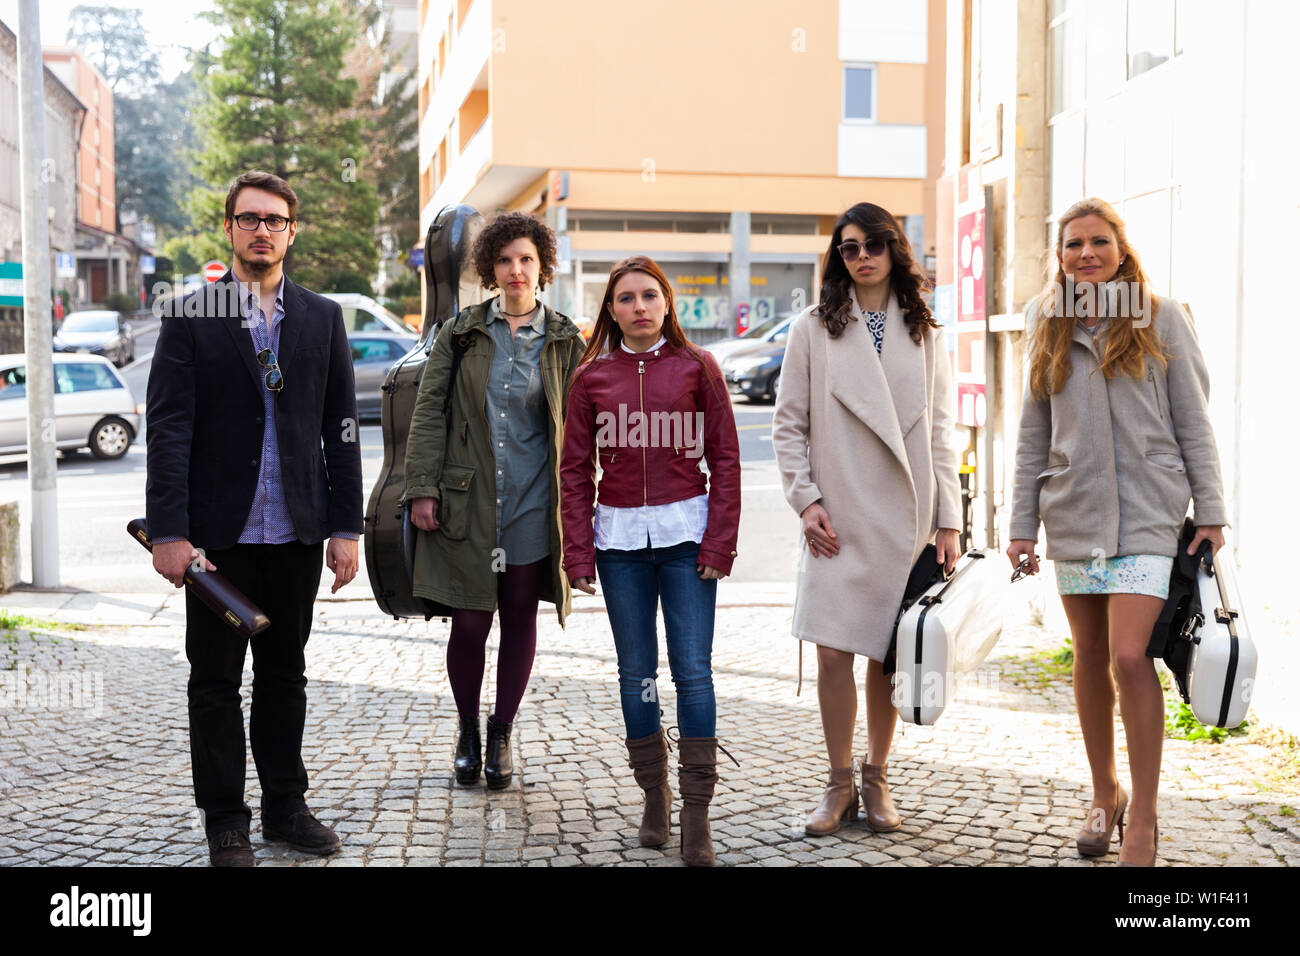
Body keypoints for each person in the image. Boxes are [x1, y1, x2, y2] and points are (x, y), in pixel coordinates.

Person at [146, 170, 363, 867]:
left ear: (291, 232)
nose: (261, 230)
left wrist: (347, 527)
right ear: (231, 228)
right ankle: (225, 822)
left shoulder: (323, 317)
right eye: (249, 219)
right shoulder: (190, 316)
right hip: (217, 541)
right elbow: (168, 428)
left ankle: (285, 808)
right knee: (213, 683)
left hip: (295, 532)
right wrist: (170, 531)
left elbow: (342, 428)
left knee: (284, 677)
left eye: (274, 220)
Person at [1007, 197, 1227, 867]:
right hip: (1073, 513)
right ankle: (1105, 792)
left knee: (1131, 657)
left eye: (1099, 241)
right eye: (1073, 244)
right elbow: (1031, 435)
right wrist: (1019, 525)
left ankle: (1146, 818)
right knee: (1090, 655)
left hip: (1149, 514)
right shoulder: (1046, 321)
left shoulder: (1160, 318)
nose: (1086, 254)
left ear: (1121, 249)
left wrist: (1212, 509)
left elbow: (1194, 418)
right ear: (1061, 257)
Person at [772, 202, 961, 838]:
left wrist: (949, 521)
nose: (862, 256)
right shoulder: (811, 329)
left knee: (889, 654)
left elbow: (938, 430)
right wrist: (806, 502)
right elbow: (787, 426)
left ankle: (876, 775)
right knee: (831, 652)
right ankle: (837, 783)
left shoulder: (923, 330)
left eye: (874, 244)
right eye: (849, 248)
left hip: (904, 521)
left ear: (894, 249)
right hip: (836, 517)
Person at [560, 256, 740, 866]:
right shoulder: (591, 378)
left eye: (650, 297)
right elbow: (574, 471)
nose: (639, 307)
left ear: (667, 304)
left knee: (693, 672)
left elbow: (727, 462)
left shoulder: (698, 368)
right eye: (626, 298)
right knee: (636, 673)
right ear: (610, 310)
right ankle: (654, 795)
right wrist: (578, 552)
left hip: (687, 539)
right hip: (618, 549)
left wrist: (719, 544)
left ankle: (696, 812)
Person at [404, 212, 585, 792]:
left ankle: (502, 731)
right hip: (468, 499)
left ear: (542, 267)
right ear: (490, 268)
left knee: (519, 619)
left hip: (534, 501)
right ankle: (467, 729)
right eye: (504, 260)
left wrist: (586, 510)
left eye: (526, 259)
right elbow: (428, 412)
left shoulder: (564, 338)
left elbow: (580, 432)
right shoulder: (461, 334)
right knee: (470, 620)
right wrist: (422, 489)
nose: (515, 270)